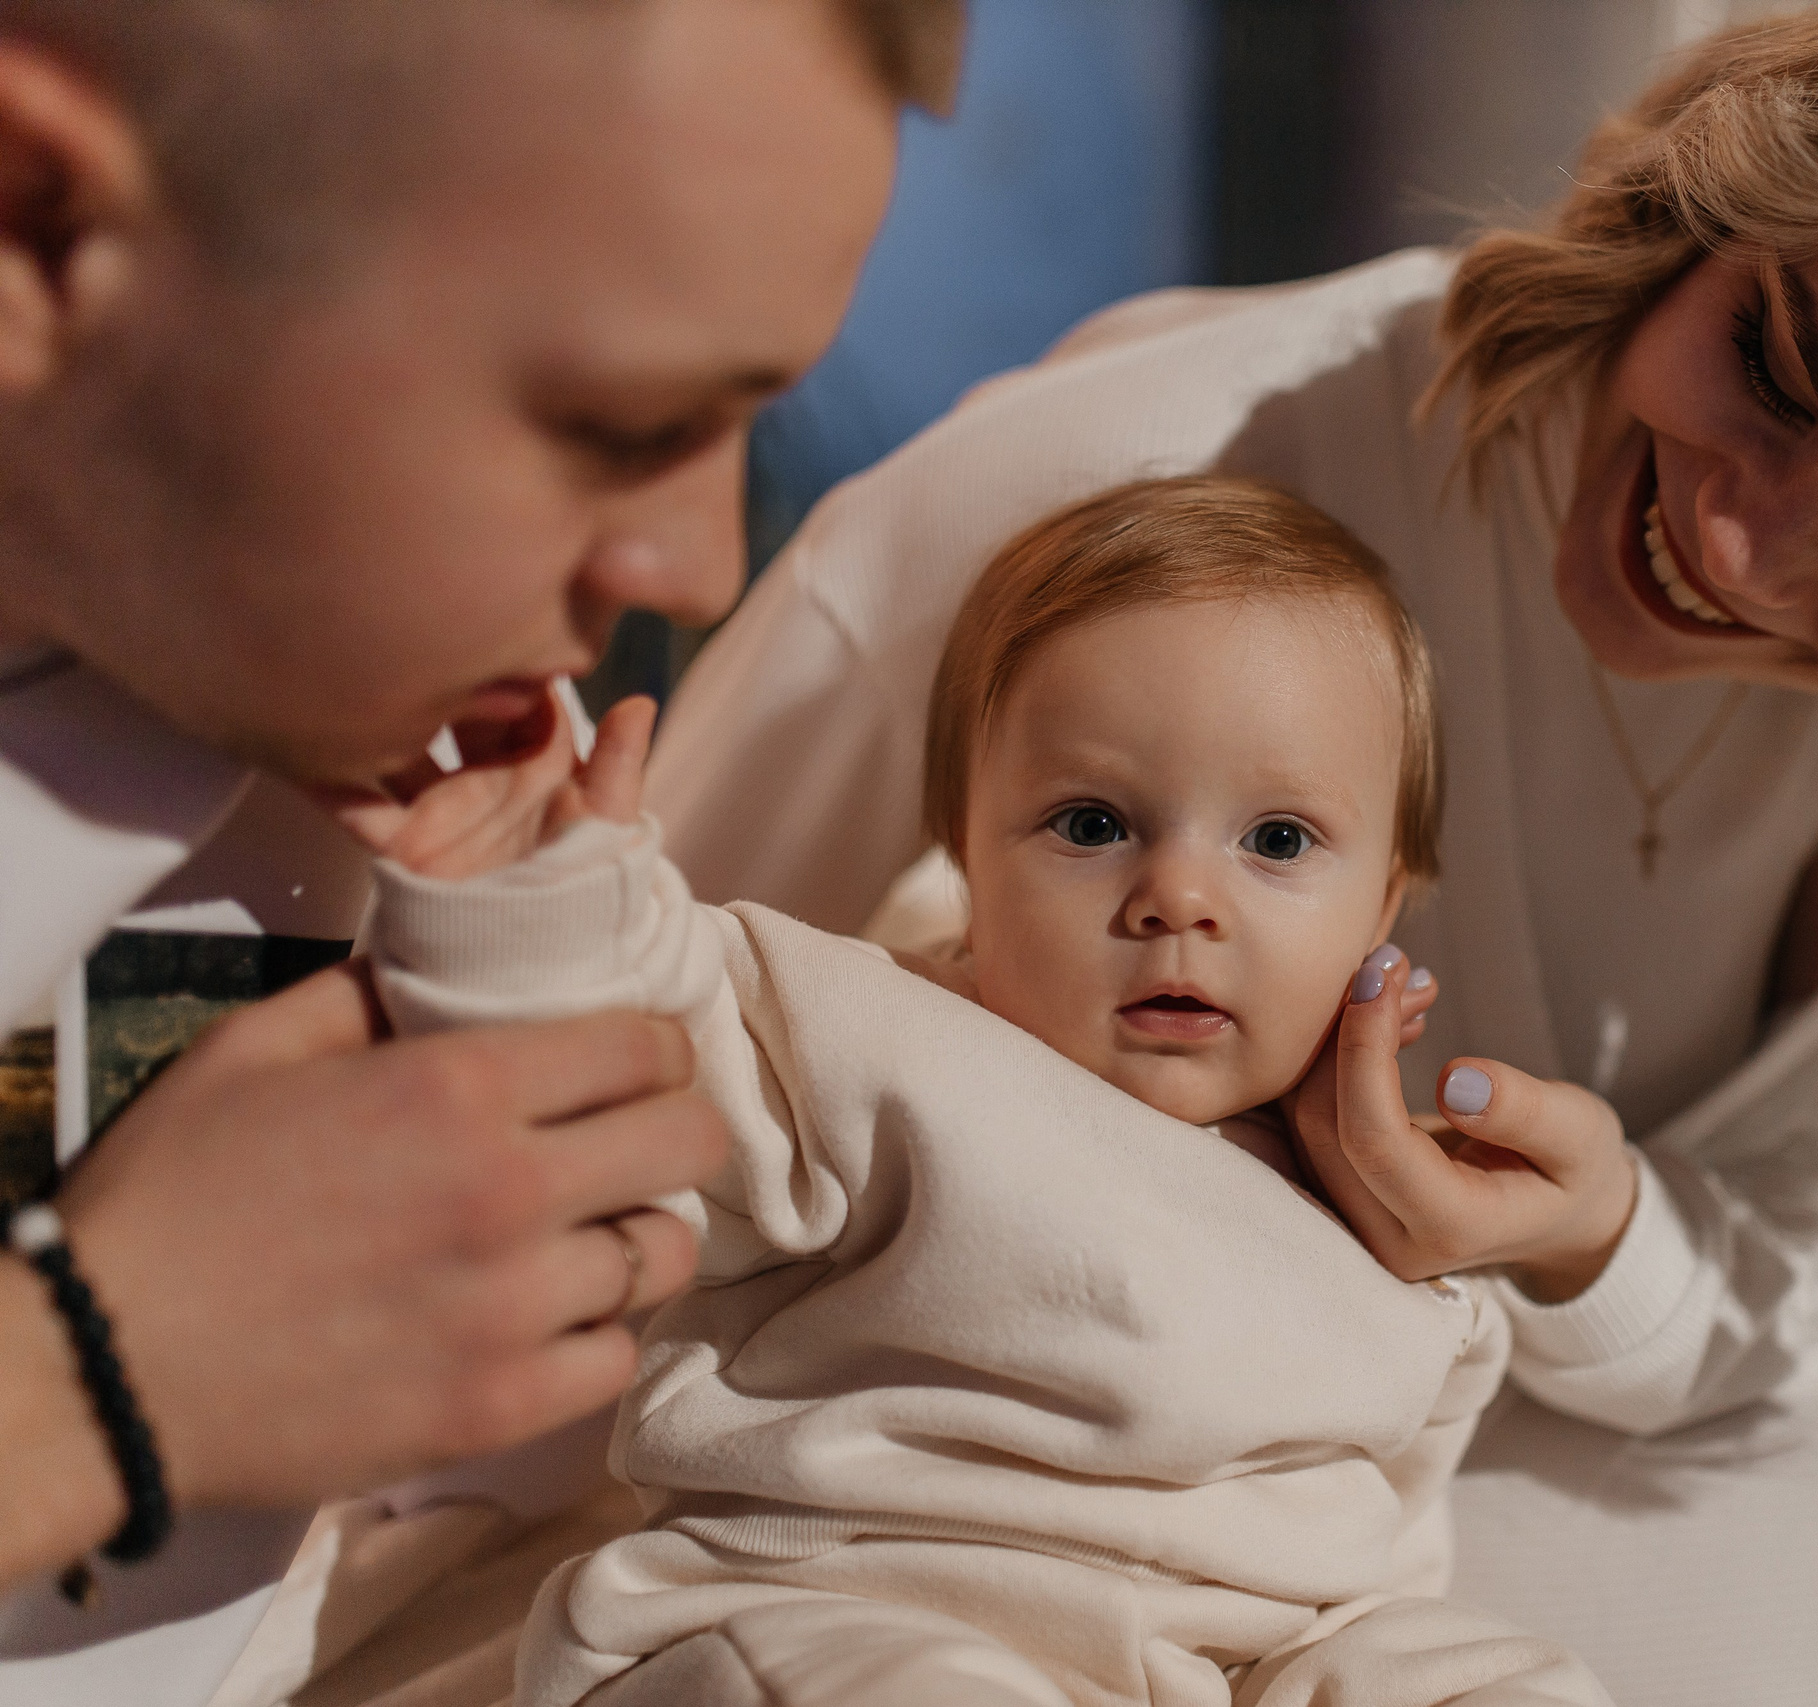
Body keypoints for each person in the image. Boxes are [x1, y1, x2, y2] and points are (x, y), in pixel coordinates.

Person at [642, 1, 1818, 1701]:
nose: (1739, 542)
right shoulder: (1161, 477)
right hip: (1264, 1529)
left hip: (1763, 1403)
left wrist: (1602, 1242)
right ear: (1747, 197)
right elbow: (605, 1028)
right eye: (1775, 365)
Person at [0, 0, 958, 1701]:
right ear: (30, 217)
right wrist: (98, 1377)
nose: (697, 564)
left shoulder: (375, 711)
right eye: (619, 425)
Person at [339, 475, 1611, 1707]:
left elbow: (1391, 1528)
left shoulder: (1389, 1211)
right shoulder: (862, 1040)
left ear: (1384, 903)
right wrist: (535, 903)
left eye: (1276, 841)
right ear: (965, 850)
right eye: (1092, 824)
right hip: (843, 1614)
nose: (1178, 897)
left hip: (1239, 1661)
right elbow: (634, 1058)